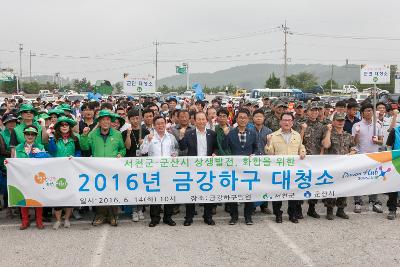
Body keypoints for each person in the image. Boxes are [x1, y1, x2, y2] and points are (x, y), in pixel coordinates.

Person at [80, 110, 126, 226]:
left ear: (111, 122)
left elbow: (122, 148)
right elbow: (85, 147)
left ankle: (113, 216)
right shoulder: (92, 134)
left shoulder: (117, 134)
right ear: (99, 122)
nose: (106, 122)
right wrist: (84, 135)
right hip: (98, 169)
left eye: (108, 119)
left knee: (113, 191)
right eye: (103, 119)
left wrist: (121, 154)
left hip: (113, 169)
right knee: (100, 192)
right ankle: (100, 215)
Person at [265, 112, 306, 223]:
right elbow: (269, 153)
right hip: (278, 169)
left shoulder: (297, 135)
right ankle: (278, 214)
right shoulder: (273, 136)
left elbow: (301, 147)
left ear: (292, 122)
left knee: (292, 192)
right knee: (277, 193)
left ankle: (292, 214)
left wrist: (302, 152)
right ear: (280, 122)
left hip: (293, 169)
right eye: (284, 120)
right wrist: (268, 143)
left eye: (289, 120)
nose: (286, 122)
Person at [178, 111, 218, 226]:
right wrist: (181, 136)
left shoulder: (212, 133)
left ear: (206, 120)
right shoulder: (189, 133)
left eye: (203, 119)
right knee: (192, 192)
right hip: (193, 168)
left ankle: (208, 216)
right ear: (194, 121)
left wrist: (215, 153)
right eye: (198, 119)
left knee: (208, 192)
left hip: (208, 168)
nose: (201, 121)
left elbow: (215, 147)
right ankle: (189, 217)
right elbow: (182, 148)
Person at [141, 116, 179, 227]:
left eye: (162, 123)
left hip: (168, 170)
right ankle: (155, 218)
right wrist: (147, 141)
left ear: (166, 123)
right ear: (154, 125)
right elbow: (143, 151)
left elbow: (177, 149)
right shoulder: (149, 137)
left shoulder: (171, 137)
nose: (160, 125)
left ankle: (168, 217)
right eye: (158, 124)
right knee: (155, 195)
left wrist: (175, 154)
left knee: (169, 194)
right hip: (154, 171)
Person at [222, 109, 258, 225]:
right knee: (233, 192)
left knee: (249, 192)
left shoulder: (253, 133)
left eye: (245, 117)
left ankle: (248, 216)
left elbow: (256, 148)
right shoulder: (231, 133)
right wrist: (225, 135)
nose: (242, 119)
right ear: (236, 119)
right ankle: (234, 216)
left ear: (248, 120)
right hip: (234, 168)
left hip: (249, 168)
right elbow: (224, 147)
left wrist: (255, 154)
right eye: (240, 117)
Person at [48, 116, 81, 230]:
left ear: (69, 127)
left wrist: (75, 157)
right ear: (58, 127)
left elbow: (78, 152)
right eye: (62, 125)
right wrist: (51, 137)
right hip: (57, 170)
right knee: (58, 196)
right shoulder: (54, 139)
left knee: (69, 195)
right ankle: (58, 220)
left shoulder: (75, 139)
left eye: (66, 125)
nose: (64, 127)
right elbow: (51, 151)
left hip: (70, 170)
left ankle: (67, 219)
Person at [322, 113, 356, 220]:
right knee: (331, 188)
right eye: (338, 120)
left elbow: (353, 147)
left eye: (342, 120)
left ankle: (340, 210)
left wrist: (352, 152)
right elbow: (326, 145)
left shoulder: (347, 135)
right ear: (333, 122)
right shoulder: (329, 134)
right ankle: (330, 210)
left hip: (345, 167)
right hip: (332, 167)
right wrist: (328, 131)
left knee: (344, 188)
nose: (340, 122)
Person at [352, 102, 384, 213]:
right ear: (362, 113)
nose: (369, 112)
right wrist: (356, 133)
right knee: (359, 179)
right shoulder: (357, 125)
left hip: (374, 157)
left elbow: (381, 142)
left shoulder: (378, 125)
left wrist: (377, 141)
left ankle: (373, 202)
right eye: (367, 110)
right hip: (360, 156)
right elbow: (354, 142)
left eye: (371, 110)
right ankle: (357, 202)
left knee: (374, 179)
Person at [302, 101, 331, 219]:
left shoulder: (322, 126)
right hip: (303, 158)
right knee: (301, 182)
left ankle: (311, 208)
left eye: (316, 110)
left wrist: (322, 153)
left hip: (316, 159)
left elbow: (325, 144)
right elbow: (297, 141)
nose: (314, 112)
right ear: (307, 111)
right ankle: (298, 208)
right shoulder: (300, 124)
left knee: (314, 184)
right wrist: (303, 130)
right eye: (312, 110)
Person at [16, 125, 47, 230]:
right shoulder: (18, 147)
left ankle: (39, 221)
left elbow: (45, 163)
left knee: (38, 199)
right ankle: (25, 221)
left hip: (36, 177)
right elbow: (14, 162)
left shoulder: (41, 147)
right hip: (22, 177)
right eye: (27, 134)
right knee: (23, 198)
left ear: (36, 136)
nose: (30, 136)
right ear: (24, 135)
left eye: (32, 134)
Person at [122, 109, 149, 222]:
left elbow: (148, 148)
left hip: (143, 162)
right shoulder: (125, 132)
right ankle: (133, 210)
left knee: (142, 186)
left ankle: (140, 209)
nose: (135, 120)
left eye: (137, 118)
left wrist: (145, 142)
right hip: (130, 162)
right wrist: (128, 135)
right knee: (133, 186)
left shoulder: (145, 131)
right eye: (133, 118)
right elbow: (127, 147)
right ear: (129, 119)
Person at [252, 109, 272, 214]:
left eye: (261, 116)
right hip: (252, 161)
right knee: (254, 183)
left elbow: (271, 146)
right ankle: (253, 206)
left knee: (265, 183)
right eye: (256, 116)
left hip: (265, 160)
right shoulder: (249, 129)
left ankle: (264, 206)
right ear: (253, 118)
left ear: (264, 118)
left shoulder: (268, 131)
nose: (259, 118)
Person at [0, 113, 18, 218]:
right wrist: (15, 152)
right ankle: (8, 209)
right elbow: (2, 150)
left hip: (18, 165)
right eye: (9, 122)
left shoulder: (18, 133)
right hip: (6, 165)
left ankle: (16, 207)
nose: (12, 123)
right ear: (5, 123)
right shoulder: (1, 134)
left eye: (14, 121)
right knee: (8, 187)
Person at [385, 117, 400, 220]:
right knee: (393, 187)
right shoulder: (395, 132)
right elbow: (388, 147)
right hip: (396, 164)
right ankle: (392, 209)